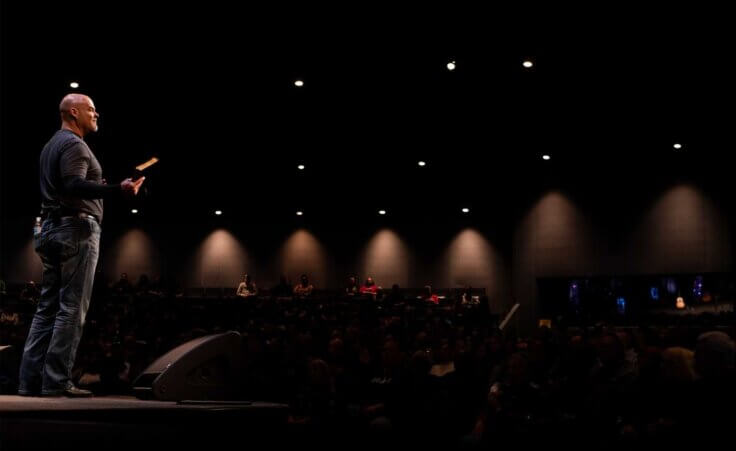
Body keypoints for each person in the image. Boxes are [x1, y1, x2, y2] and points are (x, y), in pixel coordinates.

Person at [18, 94, 144, 398]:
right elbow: (73, 184)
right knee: (71, 308)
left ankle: (30, 381)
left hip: (52, 228)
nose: (97, 113)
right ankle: (57, 382)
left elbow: (68, 185)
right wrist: (118, 189)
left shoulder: (51, 145)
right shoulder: (74, 145)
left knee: (47, 308)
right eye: (91, 109)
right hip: (75, 230)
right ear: (73, 113)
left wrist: (98, 188)